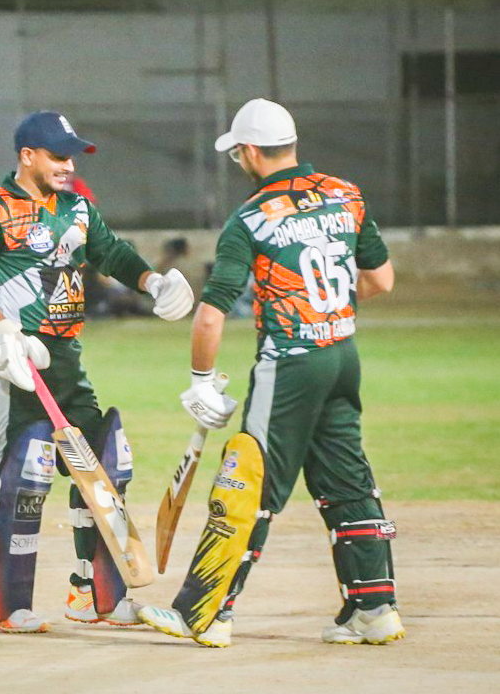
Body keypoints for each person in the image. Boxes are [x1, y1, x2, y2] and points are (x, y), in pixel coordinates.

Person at [139, 98, 404, 648]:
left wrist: (201, 379)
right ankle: (374, 609)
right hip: (341, 356)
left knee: (247, 479)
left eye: (238, 153)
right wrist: (327, 309)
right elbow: (381, 280)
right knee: (347, 480)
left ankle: (204, 614)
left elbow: (211, 313)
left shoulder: (252, 217)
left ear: (251, 152)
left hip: (288, 364)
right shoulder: (346, 194)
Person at [0, 110, 194, 633]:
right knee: (21, 473)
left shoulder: (77, 208)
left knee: (103, 465)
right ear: (27, 156)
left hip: (65, 357)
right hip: (17, 360)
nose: (69, 166)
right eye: (59, 156)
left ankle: (91, 593)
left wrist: (152, 282)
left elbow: (112, 253)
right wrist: (3, 330)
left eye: (72, 157)